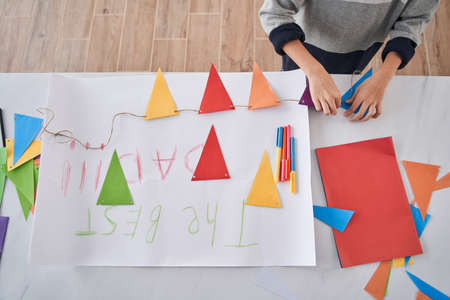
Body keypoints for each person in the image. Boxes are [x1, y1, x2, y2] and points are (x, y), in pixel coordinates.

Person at [259, 0, 439, 121]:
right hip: (304, 47)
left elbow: (413, 21)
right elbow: (274, 14)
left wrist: (382, 79)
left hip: (361, 52)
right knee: (294, 101)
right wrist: (314, 71)